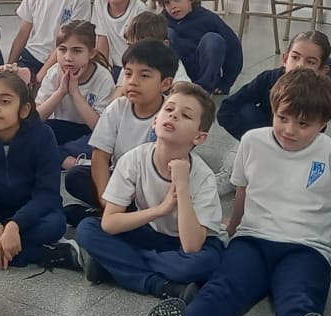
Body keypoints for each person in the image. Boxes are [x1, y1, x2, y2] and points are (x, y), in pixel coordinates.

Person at [129, 68, 331, 316]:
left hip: (307, 249)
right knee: (219, 293)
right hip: (252, 240)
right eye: (283, 118)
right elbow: (243, 192)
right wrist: (232, 229)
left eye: (303, 124)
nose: (290, 129)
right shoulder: (253, 141)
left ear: (323, 123)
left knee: (298, 305)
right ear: (273, 109)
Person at [72, 83, 224, 302]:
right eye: (169, 109)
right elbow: (109, 223)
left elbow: (192, 246)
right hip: (151, 233)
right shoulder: (134, 159)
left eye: (185, 115)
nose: (173, 116)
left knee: (204, 263)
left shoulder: (204, 177)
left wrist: (182, 187)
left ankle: (114, 265)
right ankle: (160, 285)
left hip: (184, 245)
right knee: (87, 229)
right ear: (155, 121)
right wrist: (159, 210)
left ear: (199, 138)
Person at [0, 70, 77, 269]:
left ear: (24, 109)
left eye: (4, 101)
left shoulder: (43, 135)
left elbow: (47, 194)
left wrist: (15, 224)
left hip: (30, 213)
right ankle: (44, 254)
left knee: (54, 225)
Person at [66, 40, 176, 211]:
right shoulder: (117, 107)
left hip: (154, 189)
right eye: (128, 74)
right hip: (120, 182)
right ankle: (114, 215)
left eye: (144, 76)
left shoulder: (171, 114)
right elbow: (100, 156)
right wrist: (106, 200)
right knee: (75, 177)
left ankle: (114, 218)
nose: (133, 82)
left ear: (165, 84)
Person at [218, 30, 330, 139]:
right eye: (295, 57)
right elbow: (226, 108)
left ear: (322, 70)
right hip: (265, 136)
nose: (300, 65)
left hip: (302, 144)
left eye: (310, 62)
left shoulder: (324, 91)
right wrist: (253, 140)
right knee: (246, 110)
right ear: (285, 59)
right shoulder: (268, 79)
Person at [35, 20, 115, 169]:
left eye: (77, 51)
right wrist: (61, 92)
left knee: (101, 146)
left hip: (89, 132)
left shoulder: (103, 78)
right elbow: (36, 118)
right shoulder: (54, 73)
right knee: (31, 132)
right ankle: (71, 161)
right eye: (62, 50)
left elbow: (100, 129)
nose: (68, 57)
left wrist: (75, 93)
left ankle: (61, 158)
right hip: (63, 127)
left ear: (91, 53)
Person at [156, 0, 242, 94]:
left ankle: (203, 89)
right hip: (174, 75)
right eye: (167, 3)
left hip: (200, 72)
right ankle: (169, 86)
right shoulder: (162, 20)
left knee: (213, 39)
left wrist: (226, 82)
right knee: (166, 35)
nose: (173, 6)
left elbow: (234, 49)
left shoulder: (208, 19)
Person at [92, 0, 147, 78]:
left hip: (135, 66)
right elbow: (102, 39)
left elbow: (137, 48)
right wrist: (101, 74)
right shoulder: (100, 2)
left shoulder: (139, 9)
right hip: (115, 67)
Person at [115, 11, 191, 91]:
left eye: (143, 47)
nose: (135, 53)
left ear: (164, 45)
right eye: (130, 46)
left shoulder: (170, 63)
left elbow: (183, 89)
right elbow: (119, 89)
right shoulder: (131, 64)